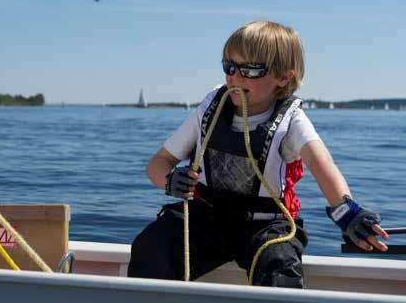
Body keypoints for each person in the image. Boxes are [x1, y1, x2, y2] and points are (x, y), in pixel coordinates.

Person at [127, 21, 389, 288]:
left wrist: (347, 211)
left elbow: (323, 165)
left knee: (279, 268)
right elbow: (158, 163)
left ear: (284, 78)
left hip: (266, 227)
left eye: (249, 70)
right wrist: (169, 180)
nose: (234, 77)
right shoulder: (210, 108)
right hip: (205, 219)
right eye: (229, 67)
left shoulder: (292, 120)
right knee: (152, 247)